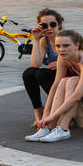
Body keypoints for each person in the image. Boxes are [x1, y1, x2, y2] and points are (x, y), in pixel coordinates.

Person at [22, 8, 64, 139]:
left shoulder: (67, 37)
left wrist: (60, 62)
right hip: (54, 77)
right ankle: (38, 110)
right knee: (29, 73)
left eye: (53, 24)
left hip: (68, 77)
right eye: (45, 25)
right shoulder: (44, 41)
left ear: (59, 24)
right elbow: (35, 64)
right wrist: (35, 39)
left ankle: (56, 112)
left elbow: (80, 58)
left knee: (41, 74)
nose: (49, 28)